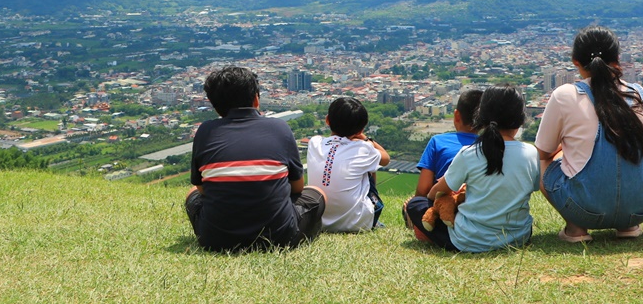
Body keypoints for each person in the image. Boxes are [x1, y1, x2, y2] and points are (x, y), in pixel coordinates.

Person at [535, 26, 643, 243]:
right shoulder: (640, 95)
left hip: (584, 210)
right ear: (617, 59)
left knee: (542, 163)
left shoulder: (565, 95)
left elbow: (543, 152)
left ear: (576, 61)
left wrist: (563, 149)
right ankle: (628, 225)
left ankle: (576, 229)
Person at [185, 66, 326, 252]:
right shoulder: (279, 128)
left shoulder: (205, 131)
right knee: (317, 193)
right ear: (256, 98)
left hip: (215, 239)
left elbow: (202, 189)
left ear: (214, 104)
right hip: (279, 237)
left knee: (191, 193)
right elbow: (298, 187)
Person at [405, 85, 540, 252]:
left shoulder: (469, 153)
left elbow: (434, 193)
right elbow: (533, 187)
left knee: (415, 204)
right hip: (518, 237)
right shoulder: (531, 152)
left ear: (481, 116)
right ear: (520, 120)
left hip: (468, 240)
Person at [306, 97, 390, 232]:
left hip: (318, 220)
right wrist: (367, 139)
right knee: (370, 167)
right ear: (361, 129)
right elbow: (385, 159)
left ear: (327, 120)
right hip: (357, 223)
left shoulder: (315, 143)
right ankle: (373, 217)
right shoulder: (363, 148)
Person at [413, 89, 483, 197]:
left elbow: (423, 189)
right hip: (477, 206)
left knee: (412, 205)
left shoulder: (438, 141)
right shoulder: (490, 146)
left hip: (440, 205)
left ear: (457, 115)